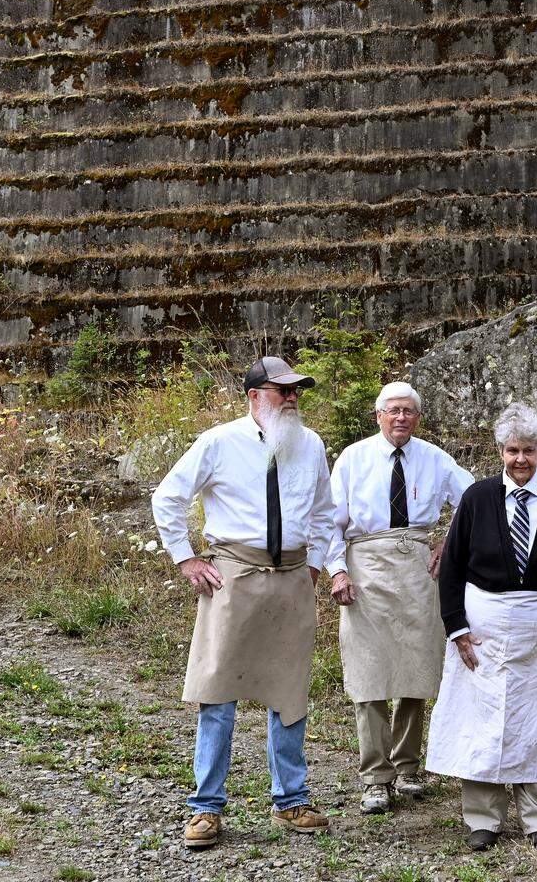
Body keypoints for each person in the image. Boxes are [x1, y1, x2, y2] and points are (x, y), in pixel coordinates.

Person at [152, 356, 335, 850]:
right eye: (283, 391)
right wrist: (186, 559)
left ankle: (291, 799)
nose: (293, 397)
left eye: (297, 390)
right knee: (218, 689)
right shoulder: (218, 442)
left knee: (290, 690)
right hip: (233, 574)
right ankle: (206, 807)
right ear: (255, 396)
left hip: (294, 575)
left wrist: (314, 564)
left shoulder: (311, 444)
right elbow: (167, 497)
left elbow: (324, 511)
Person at [427, 403, 537, 851]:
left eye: (529, 451)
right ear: (500, 451)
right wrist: (456, 628)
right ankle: (484, 819)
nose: (521, 460)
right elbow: (453, 567)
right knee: (481, 719)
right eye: (512, 450)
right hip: (484, 630)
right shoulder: (478, 498)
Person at [326, 381, 475, 814]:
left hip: (418, 570)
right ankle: (375, 777)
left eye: (409, 411)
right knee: (369, 672)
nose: (401, 418)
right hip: (365, 566)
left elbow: (475, 500)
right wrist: (337, 570)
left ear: (418, 417)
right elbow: (329, 520)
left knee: (416, 668)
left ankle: (407, 767)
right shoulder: (353, 459)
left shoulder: (434, 458)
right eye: (393, 410)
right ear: (378, 416)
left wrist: (450, 543)